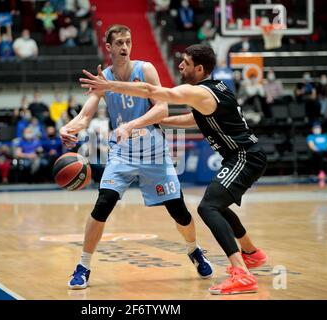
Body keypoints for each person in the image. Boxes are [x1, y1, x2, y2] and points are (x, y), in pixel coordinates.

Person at [81, 44, 268, 295]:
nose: (180, 65)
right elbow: (194, 119)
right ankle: (251, 253)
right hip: (243, 156)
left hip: (245, 157)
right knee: (218, 205)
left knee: (208, 207)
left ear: (199, 69)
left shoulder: (199, 92)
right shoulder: (216, 90)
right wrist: (160, 120)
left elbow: (150, 90)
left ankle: (242, 273)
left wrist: (110, 86)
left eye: (186, 63)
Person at [60, 25, 213, 290]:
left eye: (128, 41)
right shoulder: (103, 78)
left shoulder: (146, 69)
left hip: (153, 150)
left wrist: (132, 125)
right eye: (119, 42)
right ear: (108, 47)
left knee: (179, 212)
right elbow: (86, 115)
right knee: (103, 204)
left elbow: (162, 108)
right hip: (121, 152)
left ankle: (194, 249)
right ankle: (83, 265)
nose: (124, 46)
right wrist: (69, 127)